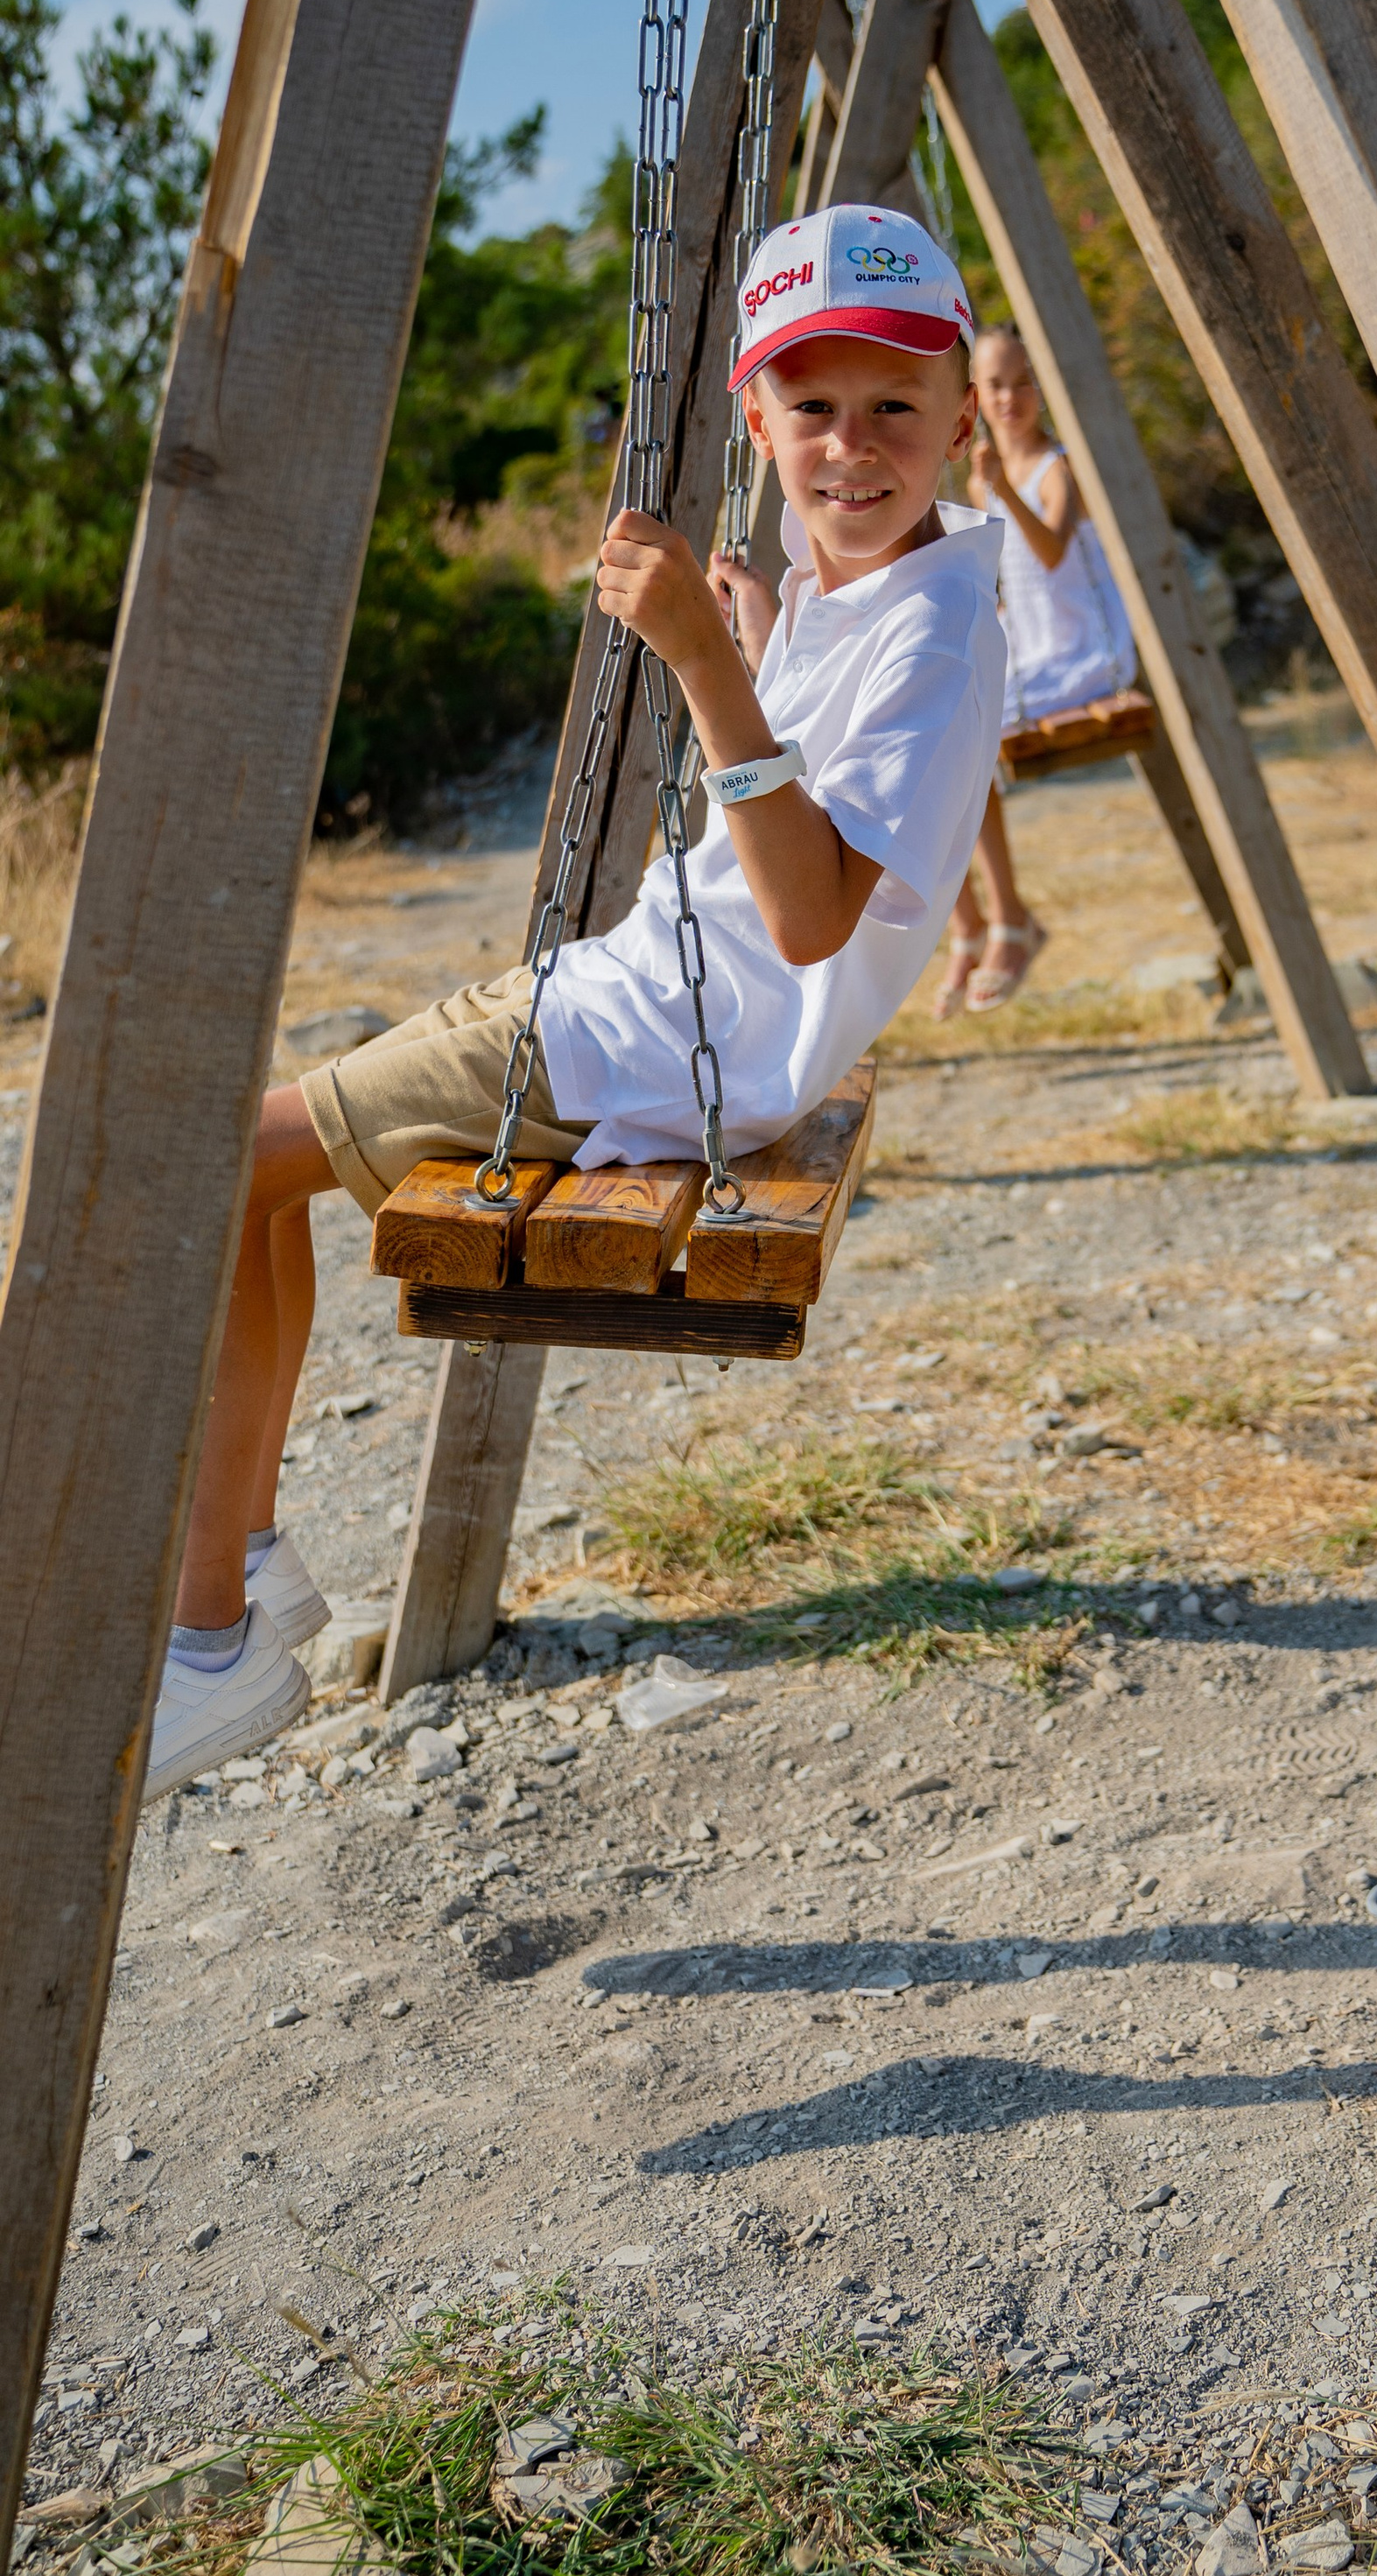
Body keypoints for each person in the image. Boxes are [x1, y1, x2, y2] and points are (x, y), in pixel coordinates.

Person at [147, 205, 1003, 1797]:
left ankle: (213, 1639)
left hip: (655, 1045)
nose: (853, 446)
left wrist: (702, 660)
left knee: (216, 1173)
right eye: (812, 408)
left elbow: (814, 919)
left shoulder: (939, 635)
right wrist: (757, 631)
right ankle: (248, 1565)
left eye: (897, 403)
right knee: (255, 1176)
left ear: (966, 405)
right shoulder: (874, 586)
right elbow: (818, 785)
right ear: (757, 422)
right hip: (631, 1000)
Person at [935, 321, 1137, 1015]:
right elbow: (1003, 580)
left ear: (1041, 389)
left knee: (970, 733)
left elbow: (1050, 551)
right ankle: (967, 924)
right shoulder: (989, 473)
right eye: (995, 384)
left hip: (1082, 655)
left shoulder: (1058, 465)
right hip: (1028, 654)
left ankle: (1011, 918)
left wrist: (997, 491)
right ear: (976, 395)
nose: (1010, 396)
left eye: (1023, 382)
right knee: (932, 728)